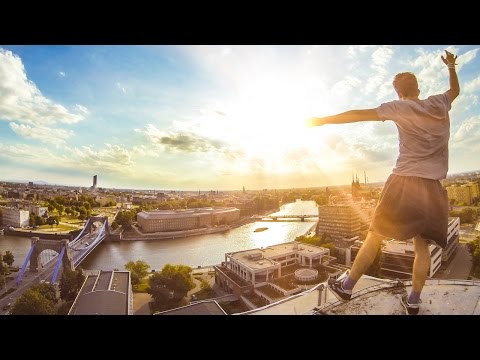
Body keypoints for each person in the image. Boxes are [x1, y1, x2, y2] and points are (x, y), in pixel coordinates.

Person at [307, 50, 460, 315]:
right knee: (421, 246)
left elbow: (357, 115)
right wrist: (451, 66)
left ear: (398, 92)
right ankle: (413, 300)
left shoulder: (398, 107)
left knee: (375, 235)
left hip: (404, 181)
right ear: (418, 88)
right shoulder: (438, 103)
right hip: (433, 186)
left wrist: (323, 120)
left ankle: (347, 285)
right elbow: (454, 91)